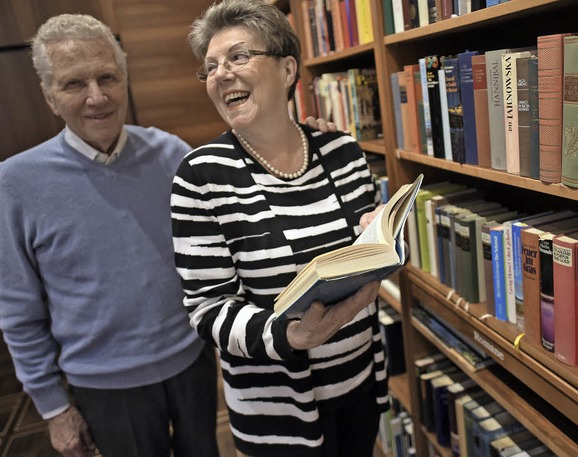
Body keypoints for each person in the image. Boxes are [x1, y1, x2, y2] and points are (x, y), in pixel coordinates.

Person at [170, 1, 390, 456]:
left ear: (288, 69)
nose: (221, 74)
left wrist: (381, 236)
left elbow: (367, 256)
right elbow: (207, 309)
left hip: (360, 386)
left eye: (238, 56)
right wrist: (290, 335)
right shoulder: (200, 176)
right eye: (210, 67)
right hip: (279, 415)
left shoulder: (343, 150)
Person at [0, 14, 224, 457]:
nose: (97, 97)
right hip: (105, 386)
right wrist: (53, 409)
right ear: (49, 97)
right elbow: (17, 310)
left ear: (125, 80)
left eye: (107, 77)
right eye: (73, 84)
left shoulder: (173, 154)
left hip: (192, 362)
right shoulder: (14, 184)